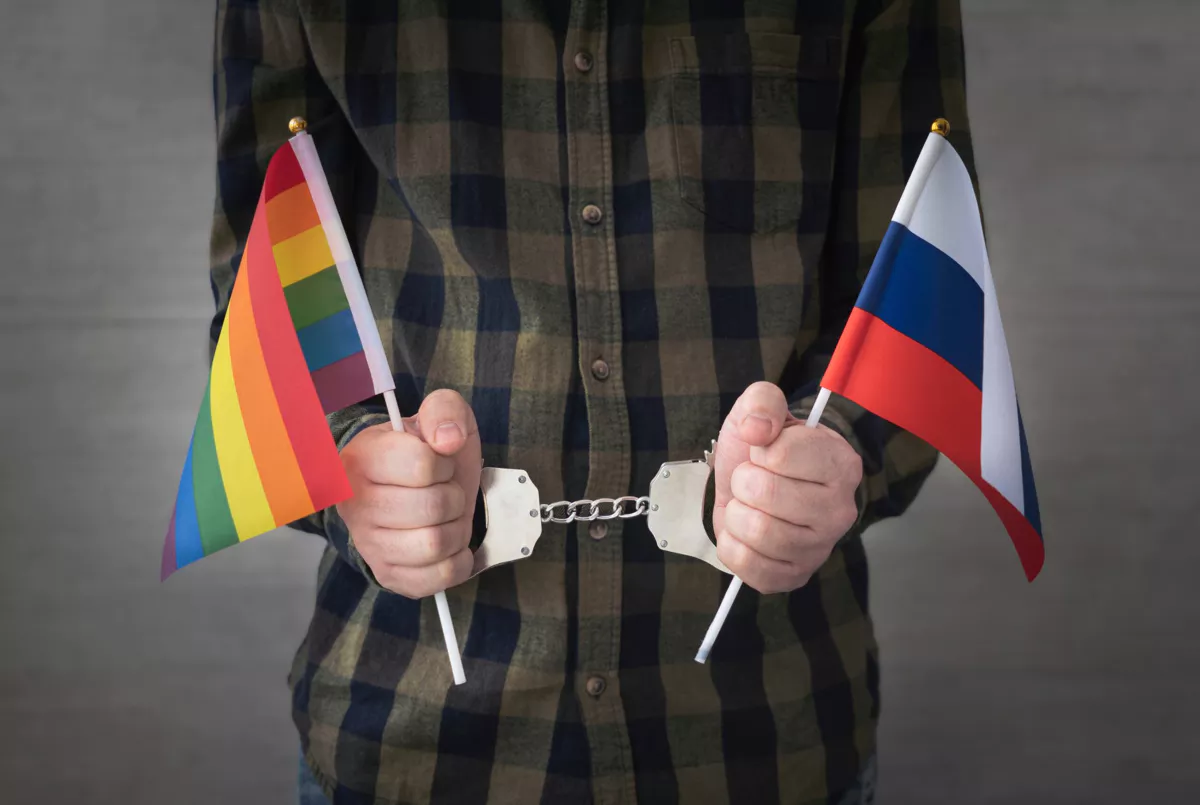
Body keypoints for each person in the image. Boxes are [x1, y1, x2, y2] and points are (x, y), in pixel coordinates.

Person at [209, 1, 976, 802]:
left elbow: (921, 294)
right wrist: (347, 464)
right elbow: (261, 323)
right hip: (412, 728)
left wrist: (841, 448)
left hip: (763, 729)